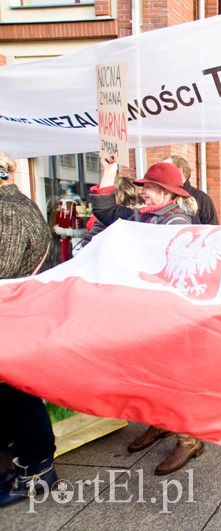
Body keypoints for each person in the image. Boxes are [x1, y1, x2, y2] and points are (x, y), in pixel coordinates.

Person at [91, 156, 204, 475]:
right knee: (150, 374)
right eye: (144, 187)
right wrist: (109, 171)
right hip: (147, 311)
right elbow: (105, 211)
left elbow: (180, 271)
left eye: (151, 188)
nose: (144, 192)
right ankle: (160, 424)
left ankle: (188, 439)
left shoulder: (176, 223)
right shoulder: (144, 215)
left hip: (168, 316)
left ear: (169, 194)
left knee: (172, 377)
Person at [0, 151, 58, 507]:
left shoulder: (8, 212)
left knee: (19, 394)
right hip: (17, 315)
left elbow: (3, 273)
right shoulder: (17, 205)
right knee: (15, 394)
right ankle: (28, 460)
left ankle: (37, 470)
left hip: (12, 317)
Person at [162, 154, 219, 225]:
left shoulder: (202, 198)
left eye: (164, 169)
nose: (159, 173)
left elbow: (212, 230)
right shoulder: (160, 196)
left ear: (179, 171)